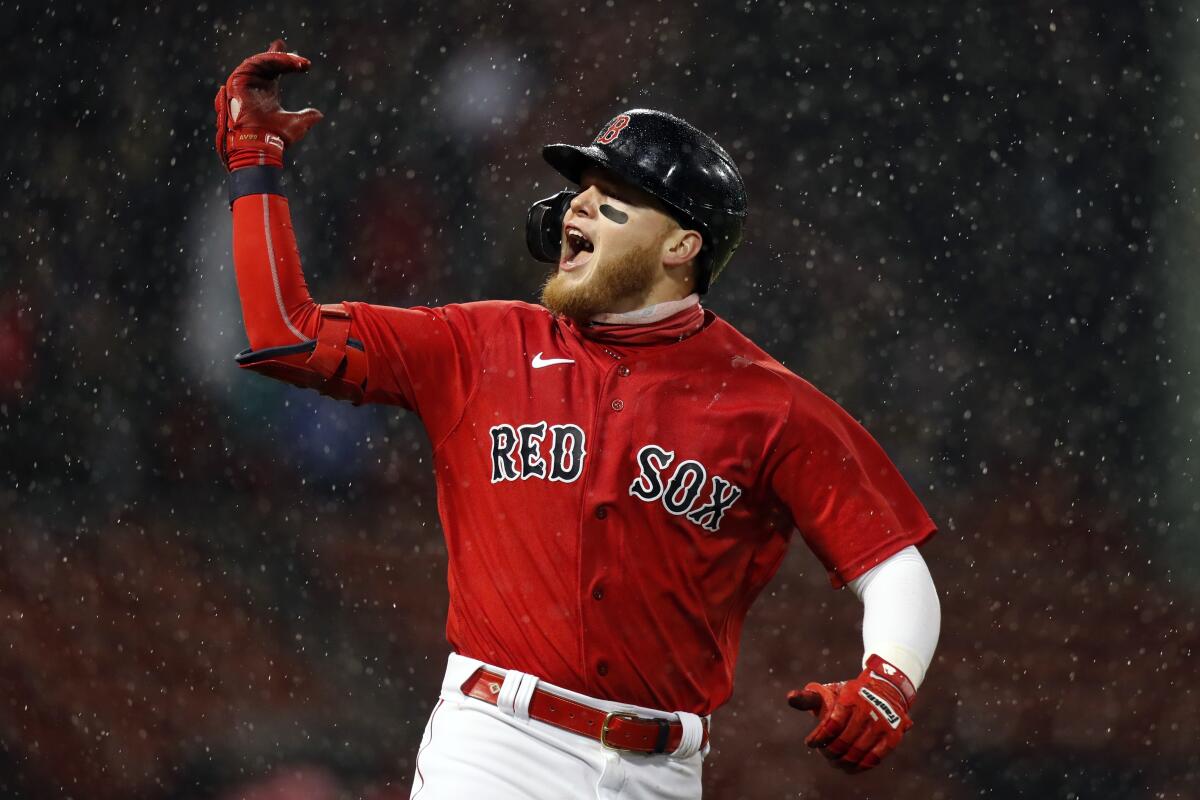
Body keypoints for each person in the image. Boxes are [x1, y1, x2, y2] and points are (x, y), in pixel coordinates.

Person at [213, 41, 942, 800]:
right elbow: (286, 333)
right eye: (580, 189)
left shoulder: (771, 404)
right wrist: (255, 162)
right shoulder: (480, 345)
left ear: (681, 247)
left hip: (663, 771)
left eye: (613, 196)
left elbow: (891, 566)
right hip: (496, 744)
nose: (579, 206)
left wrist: (888, 679)